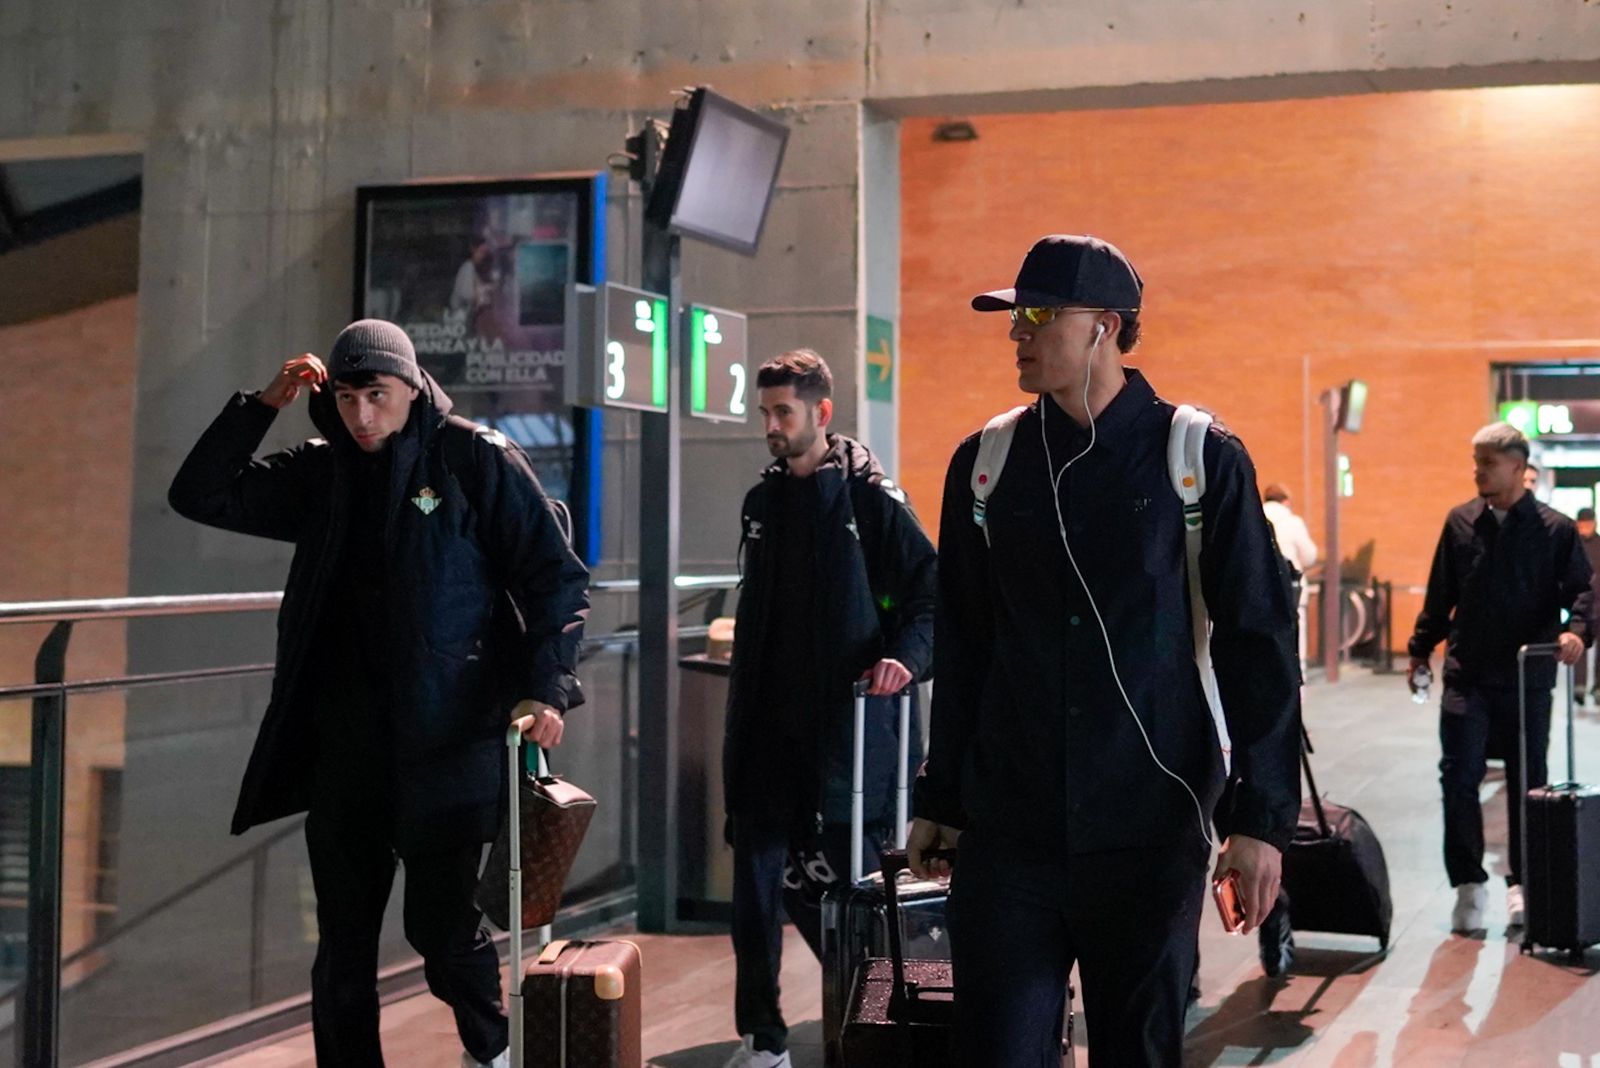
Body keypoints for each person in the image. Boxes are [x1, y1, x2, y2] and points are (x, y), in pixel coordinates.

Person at [907, 235, 1301, 1066]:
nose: (1017, 332)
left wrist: (1260, 821)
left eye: (1039, 316)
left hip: (1150, 830)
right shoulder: (986, 464)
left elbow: (1258, 642)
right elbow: (967, 641)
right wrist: (941, 798)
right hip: (1009, 830)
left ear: (1106, 327)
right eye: (1015, 316)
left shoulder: (1197, 458)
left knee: (1137, 1052)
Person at [168, 320, 589, 1068]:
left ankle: (494, 1051)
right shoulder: (321, 471)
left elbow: (554, 577)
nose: (362, 415)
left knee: (442, 933)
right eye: (348, 397)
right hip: (345, 753)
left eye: (378, 395)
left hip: (445, 745)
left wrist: (546, 690)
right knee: (343, 948)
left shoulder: (472, 458)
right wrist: (262, 405)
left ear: (412, 388)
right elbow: (200, 494)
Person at [720, 350, 937, 1068]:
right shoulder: (762, 503)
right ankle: (763, 1040)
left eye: (783, 412)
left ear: (821, 412)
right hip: (766, 736)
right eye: (765, 413)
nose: (771, 426)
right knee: (756, 895)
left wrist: (905, 658)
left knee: (858, 897)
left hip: (849, 739)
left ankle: (882, 1029)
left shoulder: (871, 500)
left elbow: (931, 597)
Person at [1407, 421, 1592, 932]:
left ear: (1517, 466)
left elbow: (1581, 591)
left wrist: (1577, 632)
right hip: (1467, 674)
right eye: (1476, 462)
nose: (1478, 472)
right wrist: (1421, 649)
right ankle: (1469, 885)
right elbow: (1440, 594)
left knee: (1526, 782)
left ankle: (1522, 883)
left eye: (1487, 463)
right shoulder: (1460, 522)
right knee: (1458, 777)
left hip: (1526, 678)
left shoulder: (1554, 530)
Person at [1574, 507, 1600, 705]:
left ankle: (1598, 686)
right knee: (1579, 642)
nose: (1585, 527)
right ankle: (1579, 685)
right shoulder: (1573, 545)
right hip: (1580, 604)